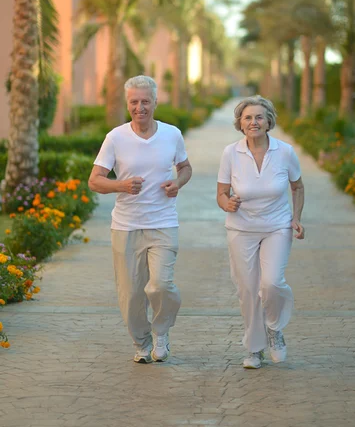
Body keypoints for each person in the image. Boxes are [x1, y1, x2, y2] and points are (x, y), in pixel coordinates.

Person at [88, 75, 192, 364]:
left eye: (145, 101)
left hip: (163, 223)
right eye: (134, 102)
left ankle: (161, 332)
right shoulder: (116, 137)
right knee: (131, 294)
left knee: (160, 285)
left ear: (156, 102)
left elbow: (185, 167)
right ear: (127, 104)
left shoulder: (172, 134)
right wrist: (121, 185)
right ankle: (142, 344)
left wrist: (178, 183)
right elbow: (94, 181)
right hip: (126, 226)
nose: (140, 107)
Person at [217, 96, 305, 370]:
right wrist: (227, 203)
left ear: (268, 122)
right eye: (247, 118)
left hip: (277, 226)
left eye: (258, 117)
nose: (253, 122)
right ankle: (254, 349)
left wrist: (297, 218)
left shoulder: (285, 152)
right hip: (241, 229)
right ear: (240, 124)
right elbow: (221, 194)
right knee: (247, 289)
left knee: (271, 284)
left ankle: (274, 329)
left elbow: (297, 187)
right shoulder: (231, 153)